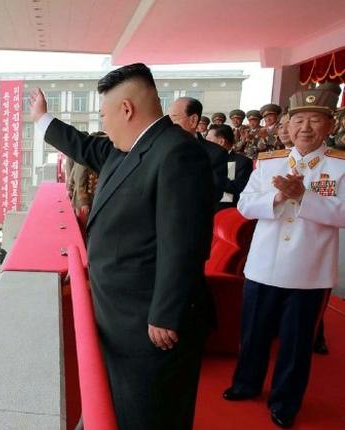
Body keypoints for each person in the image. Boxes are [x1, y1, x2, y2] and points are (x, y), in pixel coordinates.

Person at [31, 63, 214, 430]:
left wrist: (165, 313)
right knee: (122, 405)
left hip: (150, 323)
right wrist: (43, 119)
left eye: (103, 114)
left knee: (152, 412)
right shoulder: (123, 150)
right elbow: (82, 145)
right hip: (120, 314)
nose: (103, 123)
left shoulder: (177, 154)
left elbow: (184, 243)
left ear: (126, 109)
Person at [223, 86, 344, 429]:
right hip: (264, 265)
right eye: (299, 120)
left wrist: (304, 197)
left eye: (314, 120)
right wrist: (278, 197)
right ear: (288, 126)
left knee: (295, 342)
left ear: (329, 125)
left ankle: (285, 402)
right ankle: (246, 384)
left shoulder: (339, 166)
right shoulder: (268, 162)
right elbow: (245, 206)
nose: (305, 127)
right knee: (253, 333)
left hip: (309, 271)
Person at [168, 97, 228, 205]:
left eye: (174, 119)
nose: (169, 124)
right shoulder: (162, 148)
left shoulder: (215, 153)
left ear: (193, 120)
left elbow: (213, 193)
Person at [206, 124, 253, 211]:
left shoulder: (237, 161)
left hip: (224, 209)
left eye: (208, 140)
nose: (205, 143)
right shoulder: (205, 159)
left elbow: (232, 192)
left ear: (221, 142)